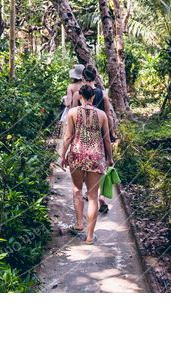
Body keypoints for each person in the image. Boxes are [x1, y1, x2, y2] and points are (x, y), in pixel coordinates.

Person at [59, 84, 114, 245]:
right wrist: (109, 158)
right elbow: (107, 140)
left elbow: (68, 137)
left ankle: (79, 224)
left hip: (76, 155)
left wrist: (63, 156)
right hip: (96, 157)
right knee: (93, 196)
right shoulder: (102, 115)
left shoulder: (72, 113)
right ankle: (90, 236)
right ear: (93, 97)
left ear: (80, 97)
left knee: (77, 190)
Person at [59, 64, 85, 130]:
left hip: (73, 112)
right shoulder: (86, 86)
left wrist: (64, 99)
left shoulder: (71, 86)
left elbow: (68, 104)